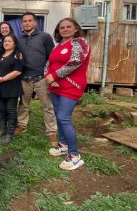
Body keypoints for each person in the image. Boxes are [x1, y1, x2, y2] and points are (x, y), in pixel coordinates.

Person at [45, 18, 90, 170]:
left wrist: (55, 75)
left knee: (64, 118)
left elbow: (76, 61)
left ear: (76, 28)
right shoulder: (57, 46)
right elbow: (48, 64)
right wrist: (49, 78)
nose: (64, 29)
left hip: (71, 86)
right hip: (56, 86)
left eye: (68, 27)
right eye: (61, 27)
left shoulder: (80, 42)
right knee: (58, 115)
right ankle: (63, 144)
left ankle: (75, 156)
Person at [16, 12, 58, 147]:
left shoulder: (45, 37)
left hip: (41, 78)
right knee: (23, 104)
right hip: (24, 78)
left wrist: (50, 75)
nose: (27, 23)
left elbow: (52, 57)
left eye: (29, 21)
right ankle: (22, 125)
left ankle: (51, 132)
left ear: (35, 22)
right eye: (24, 21)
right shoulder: (19, 39)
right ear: (22, 23)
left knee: (48, 107)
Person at [0, 35, 23, 145]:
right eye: (5, 41)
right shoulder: (0, 55)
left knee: (11, 111)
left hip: (11, 87)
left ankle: (10, 134)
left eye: (9, 41)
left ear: (14, 43)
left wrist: (3, 79)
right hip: (0, 86)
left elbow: (18, 71)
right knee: (2, 110)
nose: (6, 43)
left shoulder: (17, 55)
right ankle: (2, 130)